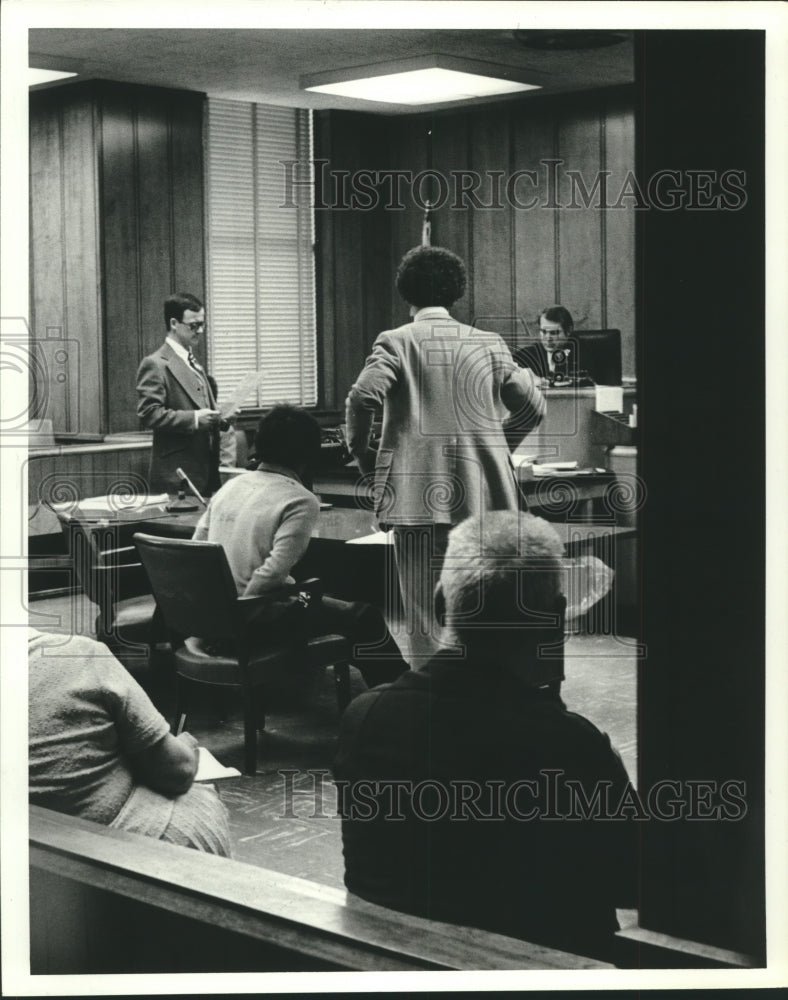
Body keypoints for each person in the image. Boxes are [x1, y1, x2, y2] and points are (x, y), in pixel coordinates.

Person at [334, 511, 637, 961]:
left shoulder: (364, 717)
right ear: (554, 619)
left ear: (441, 604)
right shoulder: (570, 745)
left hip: (395, 964)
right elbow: (634, 882)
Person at [345, 245, 545, 664]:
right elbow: (532, 406)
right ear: (456, 292)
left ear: (406, 292)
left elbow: (363, 398)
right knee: (482, 609)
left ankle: (432, 693)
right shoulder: (489, 343)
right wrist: (497, 447)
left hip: (416, 500)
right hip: (483, 499)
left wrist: (364, 455)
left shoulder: (396, 341)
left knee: (423, 615)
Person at [192, 405, 409, 688]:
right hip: (257, 618)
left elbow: (196, 549)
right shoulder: (301, 500)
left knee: (315, 592)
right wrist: (236, 623)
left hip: (212, 616)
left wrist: (214, 621)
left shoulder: (230, 487)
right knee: (361, 615)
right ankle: (399, 693)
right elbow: (271, 574)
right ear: (309, 454)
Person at [28, 629, 231, 856]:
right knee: (200, 793)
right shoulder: (79, 654)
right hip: (108, 852)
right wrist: (187, 745)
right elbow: (178, 772)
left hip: (29, 857)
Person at [136, 292, 227, 497]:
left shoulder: (192, 361)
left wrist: (221, 418)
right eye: (194, 325)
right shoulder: (155, 364)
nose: (200, 331)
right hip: (177, 475)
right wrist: (194, 419)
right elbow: (149, 414)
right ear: (174, 323)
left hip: (206, 471)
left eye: (202, 324)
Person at [514, 305, 576, 383]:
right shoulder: (524, 356)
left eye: (553, 333)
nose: (548, 339)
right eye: (543, 332)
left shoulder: (583, 355)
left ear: (568, 331)